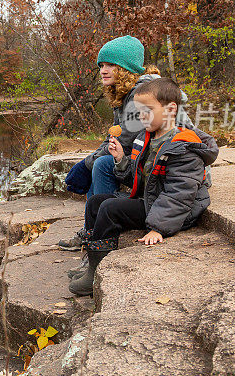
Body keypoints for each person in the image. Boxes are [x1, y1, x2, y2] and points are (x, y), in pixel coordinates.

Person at [67, 77, 218, 296]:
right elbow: (140, 179)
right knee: (96, 202)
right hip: (152, 200)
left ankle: (97, 272)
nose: (141, 116)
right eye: (139, 111)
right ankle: (91, 262)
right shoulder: (146, 137)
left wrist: (158, 227)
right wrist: (121, 160)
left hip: (175, 212)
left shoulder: (183, 146)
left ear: (170, 109)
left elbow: (180, 194)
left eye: (147, 110)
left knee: (110, 209)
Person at [60, 35, 193, 253]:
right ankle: (92, 229)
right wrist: (87, 162)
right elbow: (114, 138)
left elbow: (125, 139)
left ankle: (99, 231)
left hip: (171, 167)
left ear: (126, 68)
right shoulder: (124, 93)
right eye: (101, 65)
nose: (103, 70)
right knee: (100, 161)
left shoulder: (139, 96)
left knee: (102, 164)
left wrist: (86, 164)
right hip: (149, 158)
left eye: (111, 65)